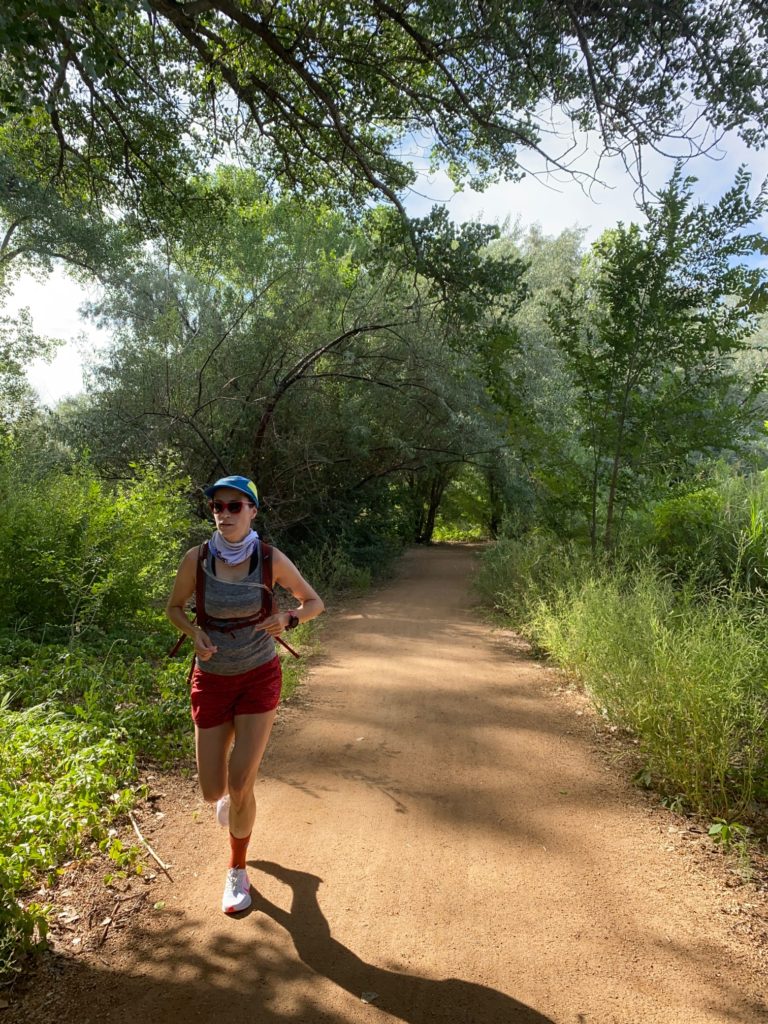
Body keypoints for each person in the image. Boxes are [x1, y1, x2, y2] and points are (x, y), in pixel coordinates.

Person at [166, 475, 324, 914]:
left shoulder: (269, 558)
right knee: (211, 789)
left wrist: (289, 619)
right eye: (218, 506)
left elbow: (313, 602)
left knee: (240, 784)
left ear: (253, 510)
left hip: (258, 676)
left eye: (235, 506)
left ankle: (237, 870)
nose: (224, 514)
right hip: (212, 678)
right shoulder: (196, 560)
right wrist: (194, 631)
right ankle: (229, 803)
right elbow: (174, 608)